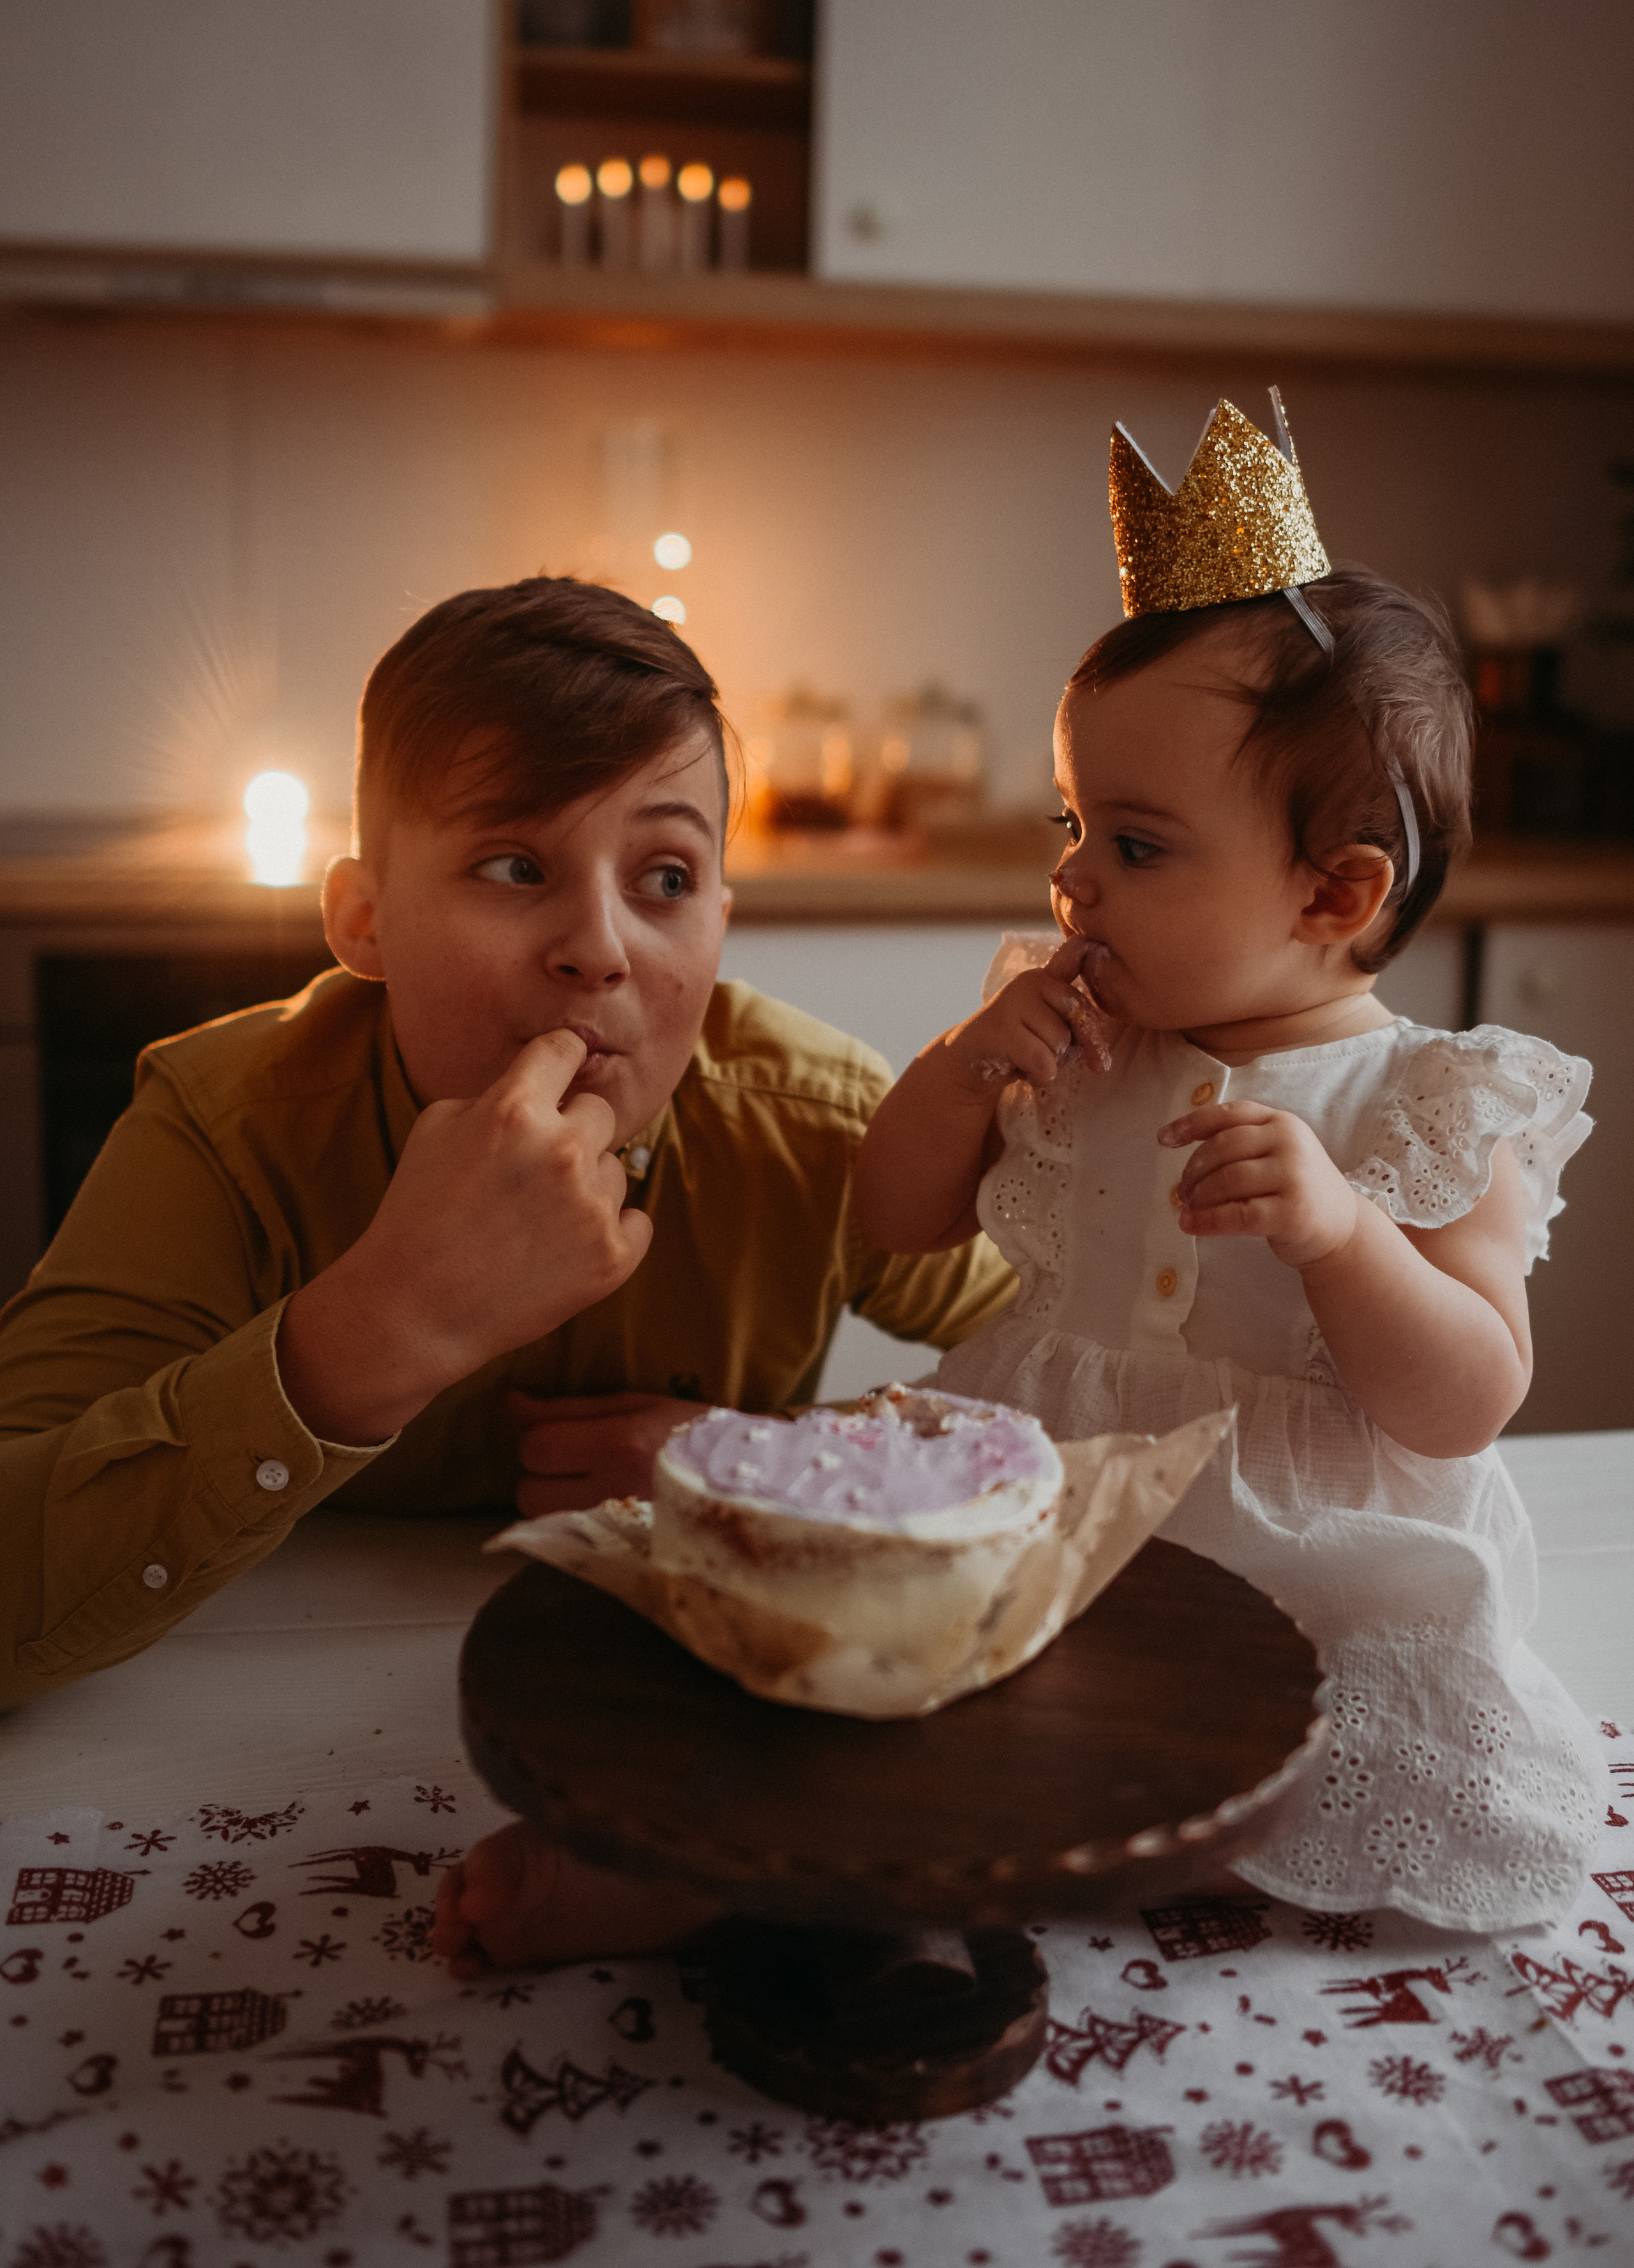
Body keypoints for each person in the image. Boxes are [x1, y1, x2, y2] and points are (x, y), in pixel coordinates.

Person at [0, 576, 1016, 1960]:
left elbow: (1086, 1400)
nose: (599, 946)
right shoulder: (223, 1131)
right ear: (362, 918)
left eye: (664, 879)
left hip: (670, 1756)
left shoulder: (823, 1132)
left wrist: (753, 1468)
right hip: (253, 1747)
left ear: (721, 911)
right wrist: (374, 1326)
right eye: (512, 866)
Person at [853, 396, 1605, 1931]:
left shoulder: (1427, 1098)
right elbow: (883, 1235)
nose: (1068, 876)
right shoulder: (1073, 1037)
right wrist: (958, 1070)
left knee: (1301, 1768)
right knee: (891, 1726)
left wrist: (1345, 1238)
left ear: (1333, 890)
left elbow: (1466, 1401)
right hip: (1050, 1516)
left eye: (1132, 844)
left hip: (1294, 1575)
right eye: (1071, 822)